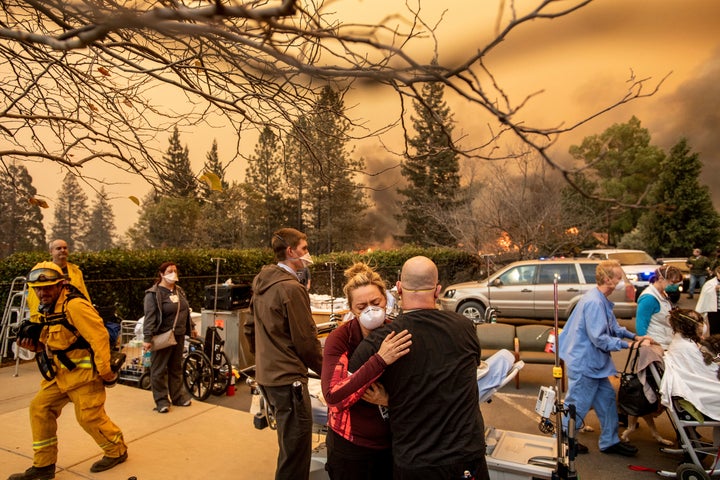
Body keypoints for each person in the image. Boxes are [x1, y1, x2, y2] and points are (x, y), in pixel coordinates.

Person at [349, 256, 488, 480]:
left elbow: (349, 384)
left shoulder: (385, 340)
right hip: (467, 457)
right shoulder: (465, 327)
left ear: (399, 288)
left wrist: (388, 399)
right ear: (437, 290)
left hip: (416, 462)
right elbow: (458, 378)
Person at [9, 262, 127, 480]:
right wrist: (36, 346)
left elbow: (99, 336)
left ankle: (117, 450)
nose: (43, 293)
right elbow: (55, 340)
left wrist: (105, 372)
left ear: (61, 285)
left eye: (48, 288)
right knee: (39, 408)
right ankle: (44, 466)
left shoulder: (75, 306)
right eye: (38, 289)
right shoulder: (46, 308)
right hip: (59, 375)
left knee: (89, 417)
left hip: (85, 376)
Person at [321, 263, 412, 480]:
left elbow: (418, 389)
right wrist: (380, 360)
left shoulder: (399, 333)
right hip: (352, 448)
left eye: (375, 302)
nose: (370, 310)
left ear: (386, 299)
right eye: (361, 306)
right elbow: (333, 396)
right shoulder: (341, 339)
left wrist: (390, 400)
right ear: (351, 309)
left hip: (394, 445)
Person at [245, 228, 323, 480]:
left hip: (268, 377)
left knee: (287, 444)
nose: (307, 254)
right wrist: (329, 373)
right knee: (296, 451)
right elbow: (306, 341)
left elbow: (249, 329)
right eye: (304, 248)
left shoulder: (262, 284)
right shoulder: (291, 289)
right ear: (290, 251)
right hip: (288, 380)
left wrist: (264, 361)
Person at [558, 260, 655, 457]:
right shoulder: (594, 302)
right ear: (608, 279)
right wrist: (630, 345)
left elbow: (614, 328)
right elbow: (600, 339)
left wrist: (635, 337)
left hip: (595, 364)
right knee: (577, 404)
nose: (622, 280)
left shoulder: (601, 300)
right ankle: (563, 443)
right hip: (585, 363)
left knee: (608, 400)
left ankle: (610, 441)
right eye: (619, 277)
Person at [142, 262, 194, 413]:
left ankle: (178, 397)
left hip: (179, 335)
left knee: (176, 368)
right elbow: (149, 317)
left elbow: (185, 310)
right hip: (162, 336)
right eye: (170, 271)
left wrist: (192, 327)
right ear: (161, 274)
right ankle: (161, 401)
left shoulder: (179, 291)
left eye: (175, 271)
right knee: (158, 370)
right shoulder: (153, 294)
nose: (173, 273)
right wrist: (147, 338)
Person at [660, 309, 720, 424]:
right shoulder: (686, 346)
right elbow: (708, 374)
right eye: (700, 321)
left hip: (698, 388)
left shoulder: (683, 342)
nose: (703, 325)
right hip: (700, 393)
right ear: (691, 325)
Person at [26, 239, 91, 322]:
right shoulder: (41, 271)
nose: (63, 250)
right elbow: (34, 298)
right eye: (58, 248)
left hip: (72, 316)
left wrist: (88, 310)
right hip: (48, 317)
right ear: (51, 251)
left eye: (65, 248)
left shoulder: (76, 272)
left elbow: (83, 293)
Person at [635, 265, 683, 349]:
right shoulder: (648, 298)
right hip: (655, 345)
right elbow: (641, 325)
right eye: (672, 282)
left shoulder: (663, 294)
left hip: (664, 343)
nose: (675, 286)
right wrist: (645, 345)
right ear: (661, 278)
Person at [696, 266, 720, 335]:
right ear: (717, 273)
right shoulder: (710, 283)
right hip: (714, 310)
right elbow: (705, 295)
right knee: (714, 329)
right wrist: (714, 290)